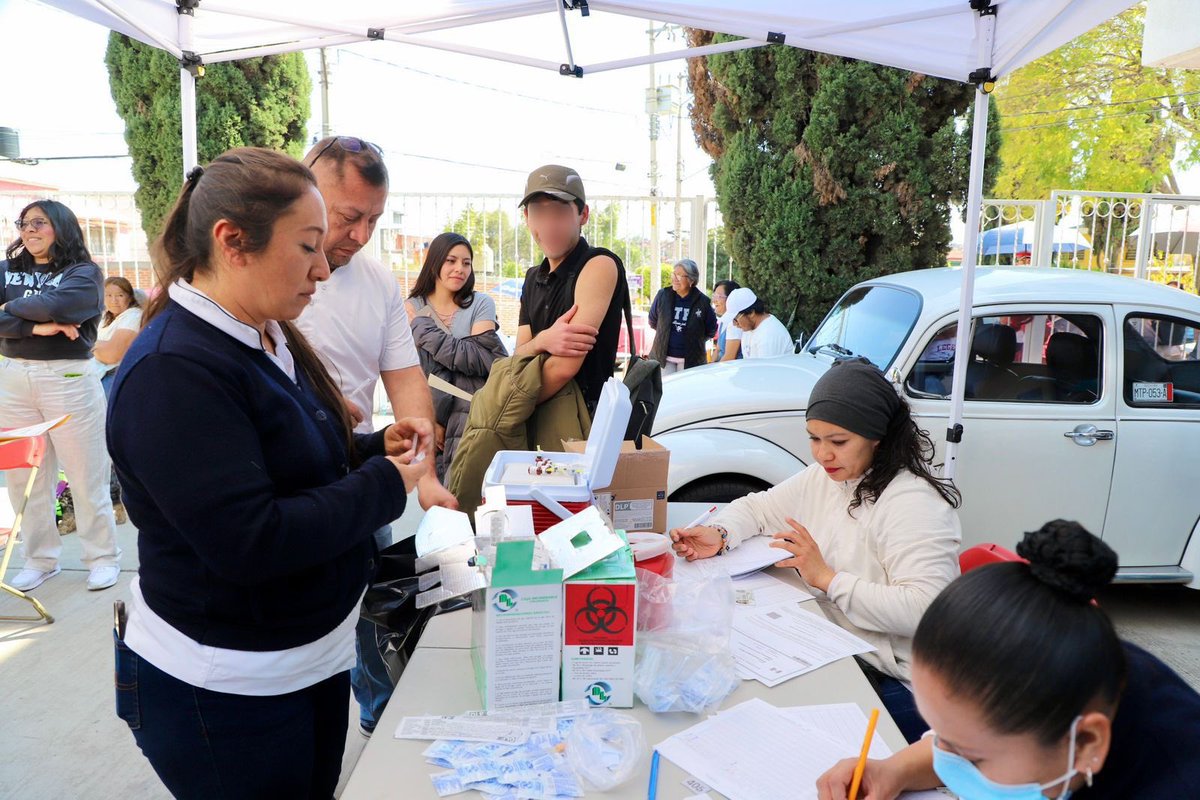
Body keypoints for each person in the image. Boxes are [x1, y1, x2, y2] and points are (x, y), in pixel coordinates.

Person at [107, 148, 432, 799]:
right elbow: (252, 540)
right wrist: (386, 483)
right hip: (225, 692)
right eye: (308, 246)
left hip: (302, 663)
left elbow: (297, 461)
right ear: (233, 243)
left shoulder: (268, 335)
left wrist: (372, 449)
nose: (323, 267)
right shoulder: (174, 371)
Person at [670, 359, 961, 742]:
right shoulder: (830, 477)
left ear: (878, 436)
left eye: (838, 441)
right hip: (841, 649)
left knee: (767, 733)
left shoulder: (912, 503)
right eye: (814, 438)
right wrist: (721, 533)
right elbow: (759, 508)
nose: (822, 454)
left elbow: (927, 610)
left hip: (903, 683)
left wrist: (826, 578)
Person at [817, 520, 1200, 800]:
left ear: (1085, 744)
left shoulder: (1175, 781)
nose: (945, 758)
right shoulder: (1062, 675)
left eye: (972, 758)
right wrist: (893, 769)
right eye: (940, 734)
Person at [292, 134, 457, 738]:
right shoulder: (273, 278)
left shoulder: (378, 282)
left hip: (359, 469)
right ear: (306, 194)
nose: (360, 235)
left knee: (370, 616)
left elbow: (407, 380)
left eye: (374, 220)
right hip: (290, 483)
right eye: (348, 217)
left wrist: (428, 479)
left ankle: (373, 724)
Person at [0, 199, 121, 592]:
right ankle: (39, 559)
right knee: (24, 477)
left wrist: (9, 310)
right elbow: (50, 311)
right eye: (24, 223)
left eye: (39, 223)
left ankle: (102, 558)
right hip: (14, 375)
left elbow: (66, 303)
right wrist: (37, 328)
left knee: (86, 472)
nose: (29, 230)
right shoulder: (7, 269)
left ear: (61, 228)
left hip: (67, 376)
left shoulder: (83, 273)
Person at [514, 164, 630, 416]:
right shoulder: (533, 277)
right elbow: (518, 356)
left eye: (559, 212)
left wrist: (508, 403)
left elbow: (564, 367)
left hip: (582, 426)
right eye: (538, 213)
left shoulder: (598, 265)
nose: (548, 225)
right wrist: (542, 341)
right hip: (534, 424)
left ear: (583, 215)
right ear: (526, 217)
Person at [406, 232, 506, 483]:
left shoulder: (481, 304)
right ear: (435, 262)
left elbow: (484, 360)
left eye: (466, 263)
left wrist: (424, 330)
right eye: (451, 261)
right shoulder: (412, 307)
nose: (459, 269)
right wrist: (431, 421)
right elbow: (415, 371)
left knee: (467, 488)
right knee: (439, 492)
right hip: (430, 415)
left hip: (472, 416)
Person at [648, 258, 717, 373]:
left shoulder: (703, 301)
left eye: (679, 275)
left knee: (686, 390)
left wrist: (694, 339)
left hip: (691, 360)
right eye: (674, 274)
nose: (675, 278)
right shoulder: (663, 295)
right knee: (666, 390)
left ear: (691, 280)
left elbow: (711, 330)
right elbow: (653, 321)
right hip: (664, 358)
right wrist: (666, 333)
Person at [93, 276, 142, 397]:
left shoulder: (133, 315)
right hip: (96, 376)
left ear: (130, 298)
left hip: (113, 376)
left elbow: (111, 355)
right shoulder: (106, 316)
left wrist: (91, 344)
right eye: (108, 295)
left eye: (120, 295)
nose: (113, 300)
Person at [722, 286, 794, 358]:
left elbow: (765, 368)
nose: (735, 324)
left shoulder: (769, 334)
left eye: (735, 319)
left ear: (751, 313)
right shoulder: (748, 329)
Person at [711, 278, 742, 361]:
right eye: (714, 296)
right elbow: (717, 350)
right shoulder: (723, 320)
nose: (714, 301)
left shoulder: (736, 323)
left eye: (718, 296)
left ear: (731, 298)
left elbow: (729, 357)